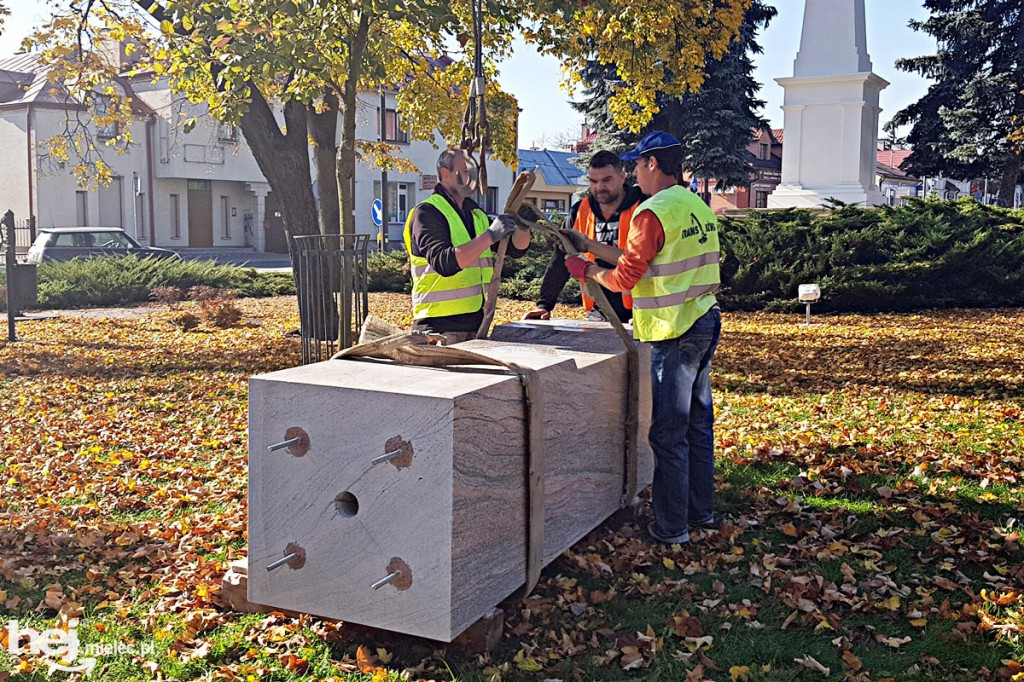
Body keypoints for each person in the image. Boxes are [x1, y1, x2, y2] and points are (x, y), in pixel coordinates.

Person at [564, 131, 722, 545]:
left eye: (636, 164)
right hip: (704, 321)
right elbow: (649, 260)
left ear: (652, 164)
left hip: (674, 333)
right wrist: (591, 246)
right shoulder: (695, 206)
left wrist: (586, 272)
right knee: (697, 426)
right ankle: (700, 512)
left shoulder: (650, 212)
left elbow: (624, 279)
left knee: (667, 434)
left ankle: (671, 529)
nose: (634, 172)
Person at [404, 149, 531, 343]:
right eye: (465, 171)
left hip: (476, 326)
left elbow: (515, 250)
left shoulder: (476, 214)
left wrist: (523, 226)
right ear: (445, 173)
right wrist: (490, 235)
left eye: (474, 172)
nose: (472, 178)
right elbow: (444, 263)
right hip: (438, 329)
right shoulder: (427, 213)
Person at [522, 150, 646, 324]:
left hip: (640, 313)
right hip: (598, 312)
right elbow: (560, 259)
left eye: (607, 180)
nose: (599, 187)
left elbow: (647, 261)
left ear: (622, 177)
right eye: (593, 181)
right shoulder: (580, 211)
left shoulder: (643, 207)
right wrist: (544, 305)